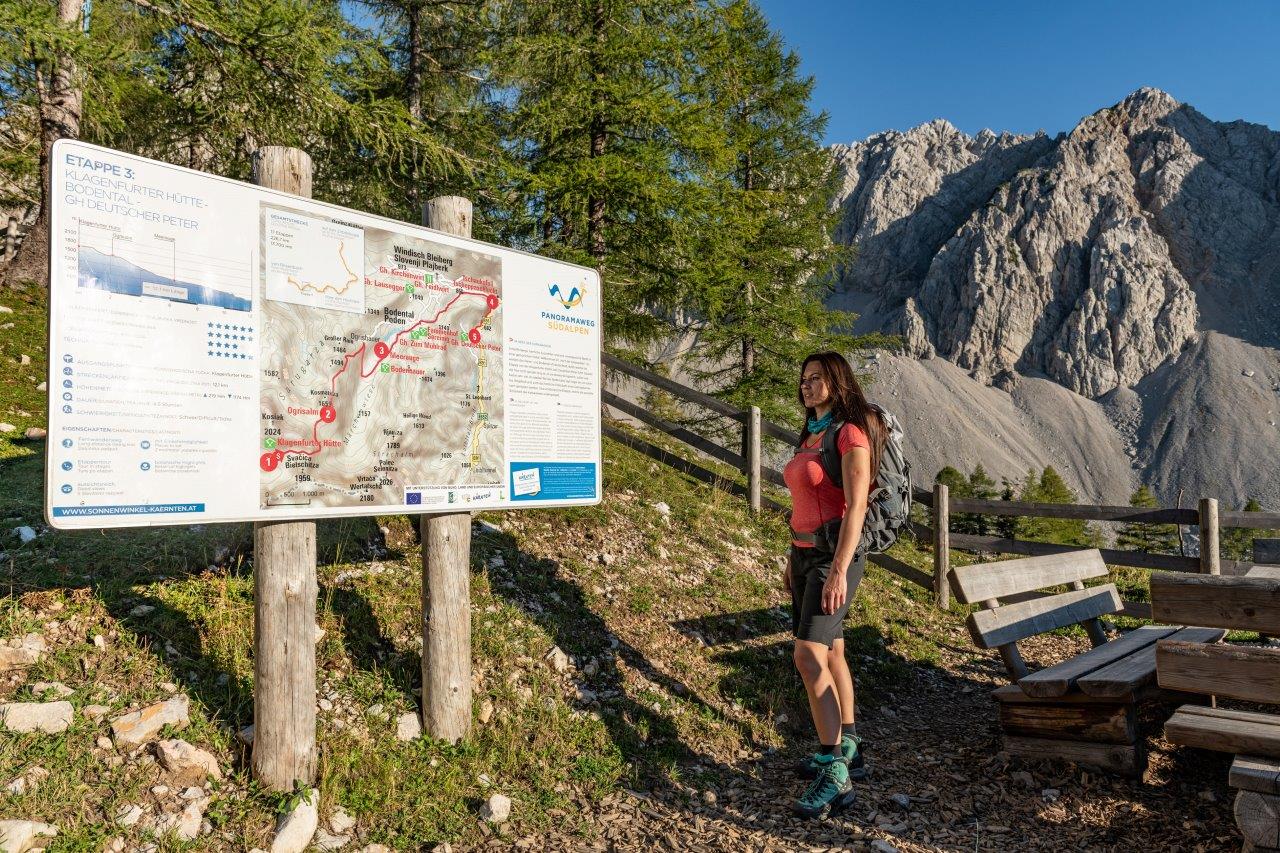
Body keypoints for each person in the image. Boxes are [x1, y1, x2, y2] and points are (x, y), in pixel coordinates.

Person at [782, 351, 887, 818]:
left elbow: (857, 507)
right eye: (804, 379)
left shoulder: (849, 434)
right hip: (805, 555)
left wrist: (841, 568)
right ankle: (848, 746)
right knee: (834, 651)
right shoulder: (811, 432)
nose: (808, 385)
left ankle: (834, 773)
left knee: (807, 655)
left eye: (818, 378)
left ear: (837, 381)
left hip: (832, 558)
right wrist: (792, 557)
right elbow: (805, 499)